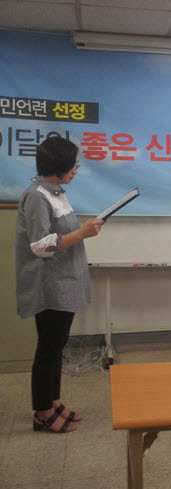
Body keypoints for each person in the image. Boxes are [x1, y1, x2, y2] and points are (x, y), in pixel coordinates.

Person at [16, 137, 104, 433]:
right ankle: (42, 412)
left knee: (56, 347)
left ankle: (53, 402)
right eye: (74, 165)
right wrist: (82, 233)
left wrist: (84, 230)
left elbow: (61, 233)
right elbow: (40, 245)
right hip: (49, 284)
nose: (76, 170)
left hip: (63, 281)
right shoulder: (37, 196)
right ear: (59, 165)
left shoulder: (56, 193)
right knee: (49, 348)